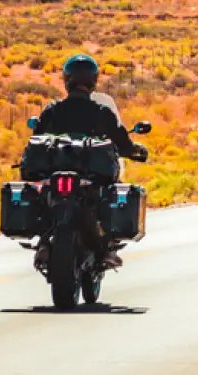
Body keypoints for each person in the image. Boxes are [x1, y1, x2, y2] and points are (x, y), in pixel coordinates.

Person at [32, 53, 147, 268]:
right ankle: (107, 248)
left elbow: (36, 138)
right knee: (106, 196)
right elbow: (122, 141)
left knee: (43, 195)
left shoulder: (52, 111)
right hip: (89, 175)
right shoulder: (102, 112)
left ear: (67, 80)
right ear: (93, 80)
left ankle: (44, 243)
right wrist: (134, 151)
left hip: (54, 172)